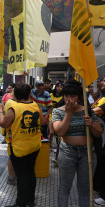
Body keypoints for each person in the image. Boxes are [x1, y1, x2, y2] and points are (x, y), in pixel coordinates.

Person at [52, 80, 102, 207]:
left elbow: (98, 133)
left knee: (85, 189)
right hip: (68, 152)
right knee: (64, 188)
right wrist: (68, 113)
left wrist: (91, 125)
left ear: (79, 96)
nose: (69, 99)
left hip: (88, 153)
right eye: (66, 95)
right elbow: (60, 132)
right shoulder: (58, 111)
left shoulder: (88, 111)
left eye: (72, 96)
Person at [0, 83, 44, 207]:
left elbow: (3, 123)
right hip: (34, 146)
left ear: (16, 94)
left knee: (22, 177)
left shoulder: (14, 108)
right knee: (31, 173)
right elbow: (42, 121)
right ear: (28, 94)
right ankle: (30, 200)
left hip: (19, 148)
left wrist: (0, 111)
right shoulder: (35, 105)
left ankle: (21, 203)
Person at [92, 77, 105, 206]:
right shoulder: (101, 97)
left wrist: (82, 112)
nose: (101, 83)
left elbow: (99, 110)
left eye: (104, 81)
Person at [49, 82, 64, 165]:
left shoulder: (63, 97)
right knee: (51, 132)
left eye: (61, 86)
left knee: (59, 136)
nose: (59, 88)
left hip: (61, 117)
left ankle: (57, 154)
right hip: (52, 115)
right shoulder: (51, 95)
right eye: (58, 86)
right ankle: (49, 146)